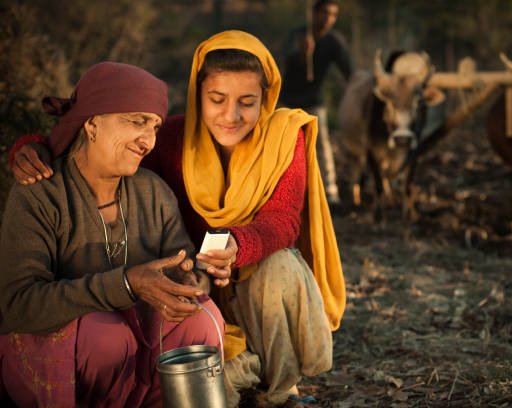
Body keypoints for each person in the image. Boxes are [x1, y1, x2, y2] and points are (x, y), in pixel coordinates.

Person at [8, 30, 346, 408]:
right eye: (217, 99)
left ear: (266, 100)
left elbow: (282, 220)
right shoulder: (170, 139)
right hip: (150, 300)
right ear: (196, 95)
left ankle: (280, 391)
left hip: (240, 282)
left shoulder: (282, 138)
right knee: (127, 343)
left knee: (272, 273)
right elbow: (94, 155)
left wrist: (231, 250)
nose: (231, 116)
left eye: (247, 102)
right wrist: (34, 149)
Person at [0, 62, 227, 407]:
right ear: (92, 123)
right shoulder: (39, 194)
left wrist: (196, 277)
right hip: (54, 353)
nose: (148, 140)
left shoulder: (152, 191)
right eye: (137, 121)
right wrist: (125, 285)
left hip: (135, 346)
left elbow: (185, 269)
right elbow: (20, 306)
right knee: (106, 336)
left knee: (202, 321)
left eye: (154, 126)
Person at [279, 0, 353, 205]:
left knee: (322, 146)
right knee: (282, 147)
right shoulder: (298, 34)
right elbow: (288, 58)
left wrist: (356, 87)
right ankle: (279, 194)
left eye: (333, 15)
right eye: (325, 13)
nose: (328, 19)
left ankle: (330, 194)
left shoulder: (333, 41)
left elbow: (348, 69)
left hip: (314, 101)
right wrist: (303, 53)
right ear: (314, 13)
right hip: (289, 100)